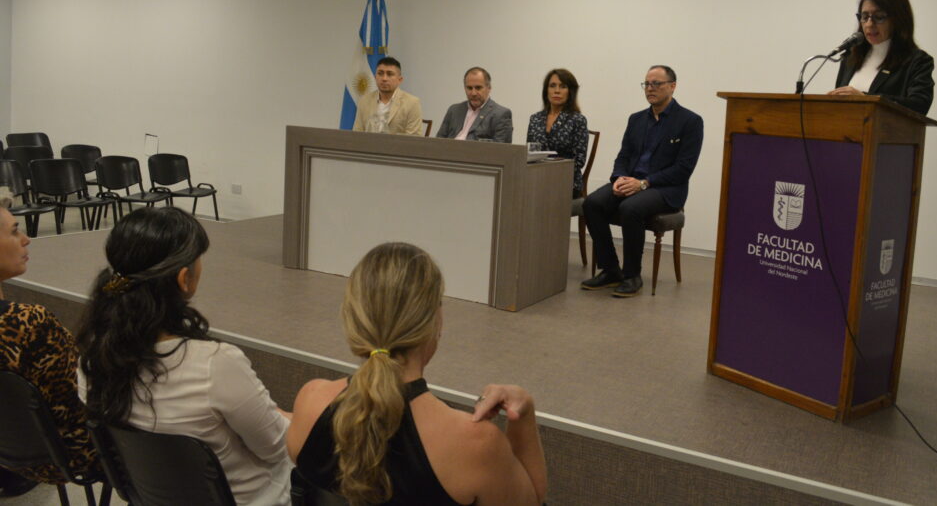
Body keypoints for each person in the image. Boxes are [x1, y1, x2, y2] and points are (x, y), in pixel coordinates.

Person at [287, 242, 546, 506]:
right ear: (435, 321)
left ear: (353, 317)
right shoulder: (475, 443)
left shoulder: (311, 401)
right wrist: (523, 414)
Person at [77, 207, 291, 506]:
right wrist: (292, 417)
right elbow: (277, 448)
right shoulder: (215, 364)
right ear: (183, 279)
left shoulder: (92, 358)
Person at [0, 187, 98, 496]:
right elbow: (73, 418)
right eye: (15, 232)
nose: (26, 240)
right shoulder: (31, 323)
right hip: (51, 459)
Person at [581, 65, 703, 298]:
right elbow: (624, 156)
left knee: (630, 208)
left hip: (665, 189)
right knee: (592, 203)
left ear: (672, 86)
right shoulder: (636, 119)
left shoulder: (690, 121)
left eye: (656, 83)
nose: (650, 88)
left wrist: (644, 183)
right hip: (632, 181)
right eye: (647, 84)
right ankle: (610, 269)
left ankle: (632, 275)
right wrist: (618, 179)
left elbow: (683, 169)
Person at [827, 0, 935, 115]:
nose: (869, 24)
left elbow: (919, 105)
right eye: (864, 16)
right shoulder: (851, 57)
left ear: (898, 19)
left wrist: (867, 99)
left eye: (879, 17)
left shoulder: (917, 61)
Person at [527, 68, 589, 197]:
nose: (556, 91)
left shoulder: (577, 120)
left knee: (538, 195)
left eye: (562, 86)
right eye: (552, 86)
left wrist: (550, 169)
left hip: (566, 181)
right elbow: (529, 152)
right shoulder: (535, 118)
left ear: (570, 92)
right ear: (546, 91)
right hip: (537, 178)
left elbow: (579, 160)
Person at [436, 67, 513, 142]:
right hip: (448, 153)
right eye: (469, 88)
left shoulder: (501, 114)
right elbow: (438, 141)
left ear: (489, 88)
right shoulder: (454, 110)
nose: (473, 93)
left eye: (478, 88)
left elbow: (500, 151)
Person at [353, 56, 424, 135]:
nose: (384, 78)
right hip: (368, 146)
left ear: (400, 80)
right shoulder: (364, 101)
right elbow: (357, 134)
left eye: (390, 74)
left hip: (398, 147)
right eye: (380, 73)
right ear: (375, 77)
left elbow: (414, 138)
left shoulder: (412, 103)